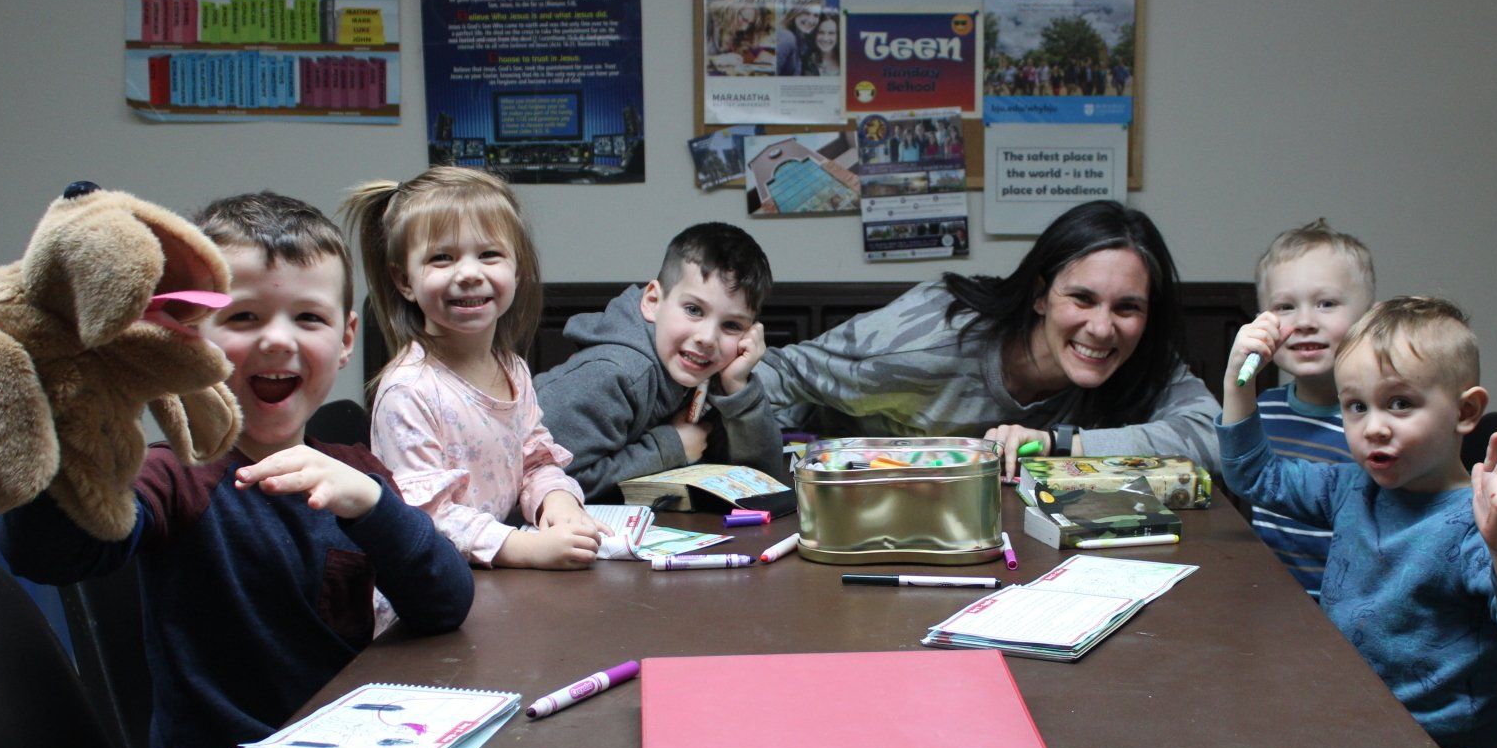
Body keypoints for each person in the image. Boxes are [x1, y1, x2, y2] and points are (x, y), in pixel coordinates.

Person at [0, 191, 527, 748]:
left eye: (309, 319)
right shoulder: (173, 476)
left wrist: (373, 505)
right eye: (243, 315)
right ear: (190, 335)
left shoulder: (353, 466)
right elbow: (56, 551)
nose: (278, 340)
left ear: (348, 336)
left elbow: (444, 603)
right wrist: (55, 434)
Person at [1218, 295, 1497, 748]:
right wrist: (1238, 383)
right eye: (1356, 406)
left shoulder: (1481, 523)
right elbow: (1255, 475)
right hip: (1351, 728)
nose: (1373, 427)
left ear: (1466, 411)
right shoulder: (1352, 489)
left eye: (1399, 403)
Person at [756, 199, 1221, 475]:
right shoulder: (924, 340)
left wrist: (1060, 443)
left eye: (1127, 307)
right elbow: (774, 373)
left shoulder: (1137, 357)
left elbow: (1218, 439)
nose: (1102, 328)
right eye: (1081, 299)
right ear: (1040, 295)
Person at [346, 165, 607, 570]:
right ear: (404, 280)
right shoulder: (409, 390)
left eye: (489, 254)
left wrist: (558, 501)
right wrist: (525, 549)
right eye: (441, 258)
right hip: (431, 595)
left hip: (494, 583)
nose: (468, 273)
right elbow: (425, 517)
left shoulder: (512, 369)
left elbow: (535, 461)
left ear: (517, 268)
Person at [534, 222, 786, 502]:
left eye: (731, 325)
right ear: (653, 301)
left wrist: (738, 388)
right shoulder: (616, 373)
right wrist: (670, 447)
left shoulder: (710, 371)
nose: (707, 338)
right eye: (693, 310)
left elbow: (763, 482)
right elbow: (548, 484)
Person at [1246, 219, 1376, 596]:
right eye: (1285, 307)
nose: (1304, 322)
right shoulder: (1263, 412)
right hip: (1276, 603)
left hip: (1354, 612)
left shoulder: (1380, 427)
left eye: (1326, 303)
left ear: (1370, 317)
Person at [774, 3, 822, 77]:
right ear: (796, 13)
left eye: (816, 15)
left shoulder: (804, 41)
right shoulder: (787, 37)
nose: (811, 21)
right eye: (806, 13)